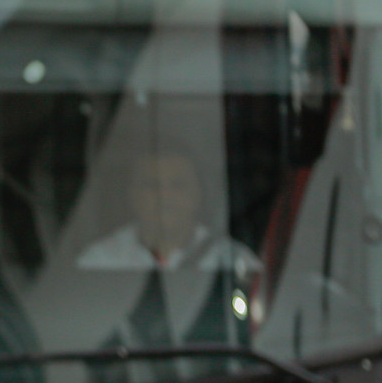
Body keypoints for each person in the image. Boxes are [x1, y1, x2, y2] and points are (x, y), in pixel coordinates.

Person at [75, 144, 262, 352]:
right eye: (151, 186)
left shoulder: (235, 260)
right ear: (132, 195)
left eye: (178, 186)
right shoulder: (99, 260)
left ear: (198, 195)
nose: (164, 196)